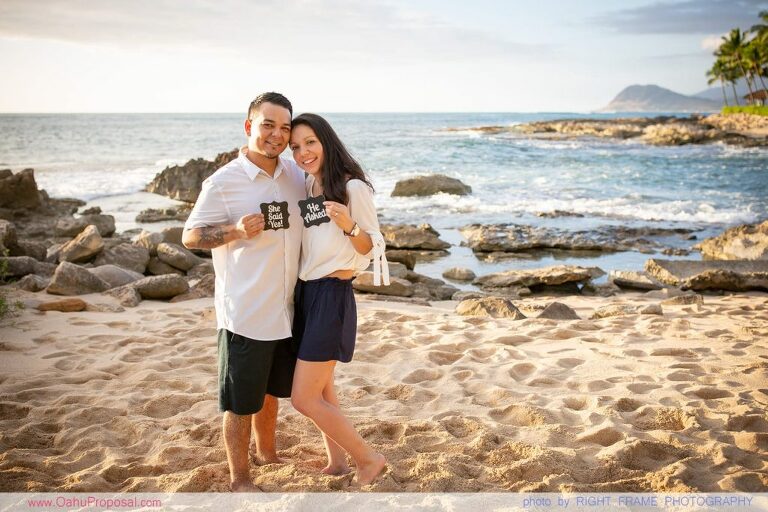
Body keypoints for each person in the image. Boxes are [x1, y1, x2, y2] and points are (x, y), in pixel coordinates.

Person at [181, 92, 305, 492]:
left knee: (270, 392)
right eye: (268, 125)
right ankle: (240, 479)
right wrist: (235, 231)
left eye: (285, 127)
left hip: (285, 307)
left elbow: (311, 214)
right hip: (245, 311)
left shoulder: (294, 174)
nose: (277, 134)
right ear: (249, 126)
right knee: (240, 400)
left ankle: (267, 453)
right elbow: (191, 236)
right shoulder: (222, 183)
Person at [288, 113, 390, 486]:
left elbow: (372, 247)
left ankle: (368, 458)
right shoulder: (310, 187)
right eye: (295, 146)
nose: (303, 152)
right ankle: (338, 462)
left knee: (304, 398)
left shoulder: (353, 188)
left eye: (310, 142)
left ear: (326, 141)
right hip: (306, 294)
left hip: (332, 296)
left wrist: (349, 225)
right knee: (324, 388)